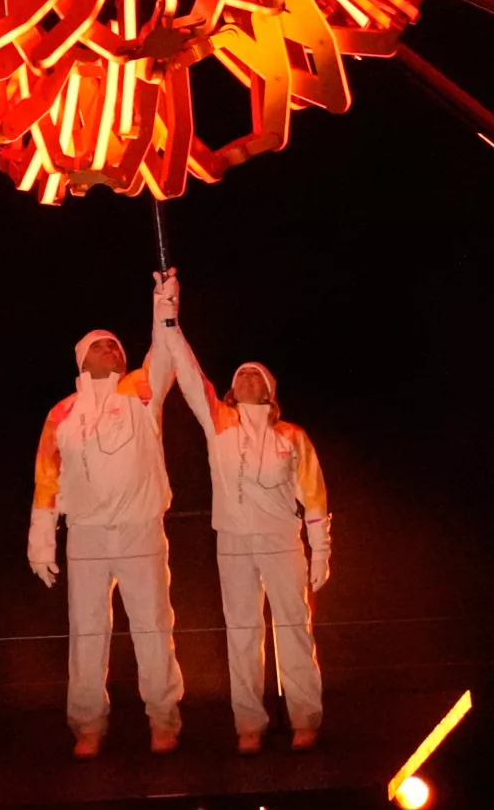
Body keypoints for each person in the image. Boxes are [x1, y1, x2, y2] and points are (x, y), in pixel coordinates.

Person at [158, 269, 331, 755]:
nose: (247, 377)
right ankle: (249, 724)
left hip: (281, 541)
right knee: (242, 633)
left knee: (294, 630)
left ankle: (305, 718)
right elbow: (189, 374)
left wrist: (320, 551)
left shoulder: (291, 437)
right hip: (233, 542)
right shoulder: (219, 423)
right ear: (232, 391)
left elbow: (314, 496)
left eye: (256, 374)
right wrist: (169, 317)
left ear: (270, 390)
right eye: (240, 375)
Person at [27, 285, 184, 760]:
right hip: (87, 534)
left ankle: (163, 719)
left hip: (140, 528)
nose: (111, 349)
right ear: (82, 360)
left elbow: (164, 353)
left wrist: (163, 306)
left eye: (115, 344)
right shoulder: (62, 413)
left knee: (153, 628)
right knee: (88, 633)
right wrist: (41, 541)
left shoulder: (141, 391)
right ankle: (88, 726)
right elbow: (47, 476)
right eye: (100, 345)